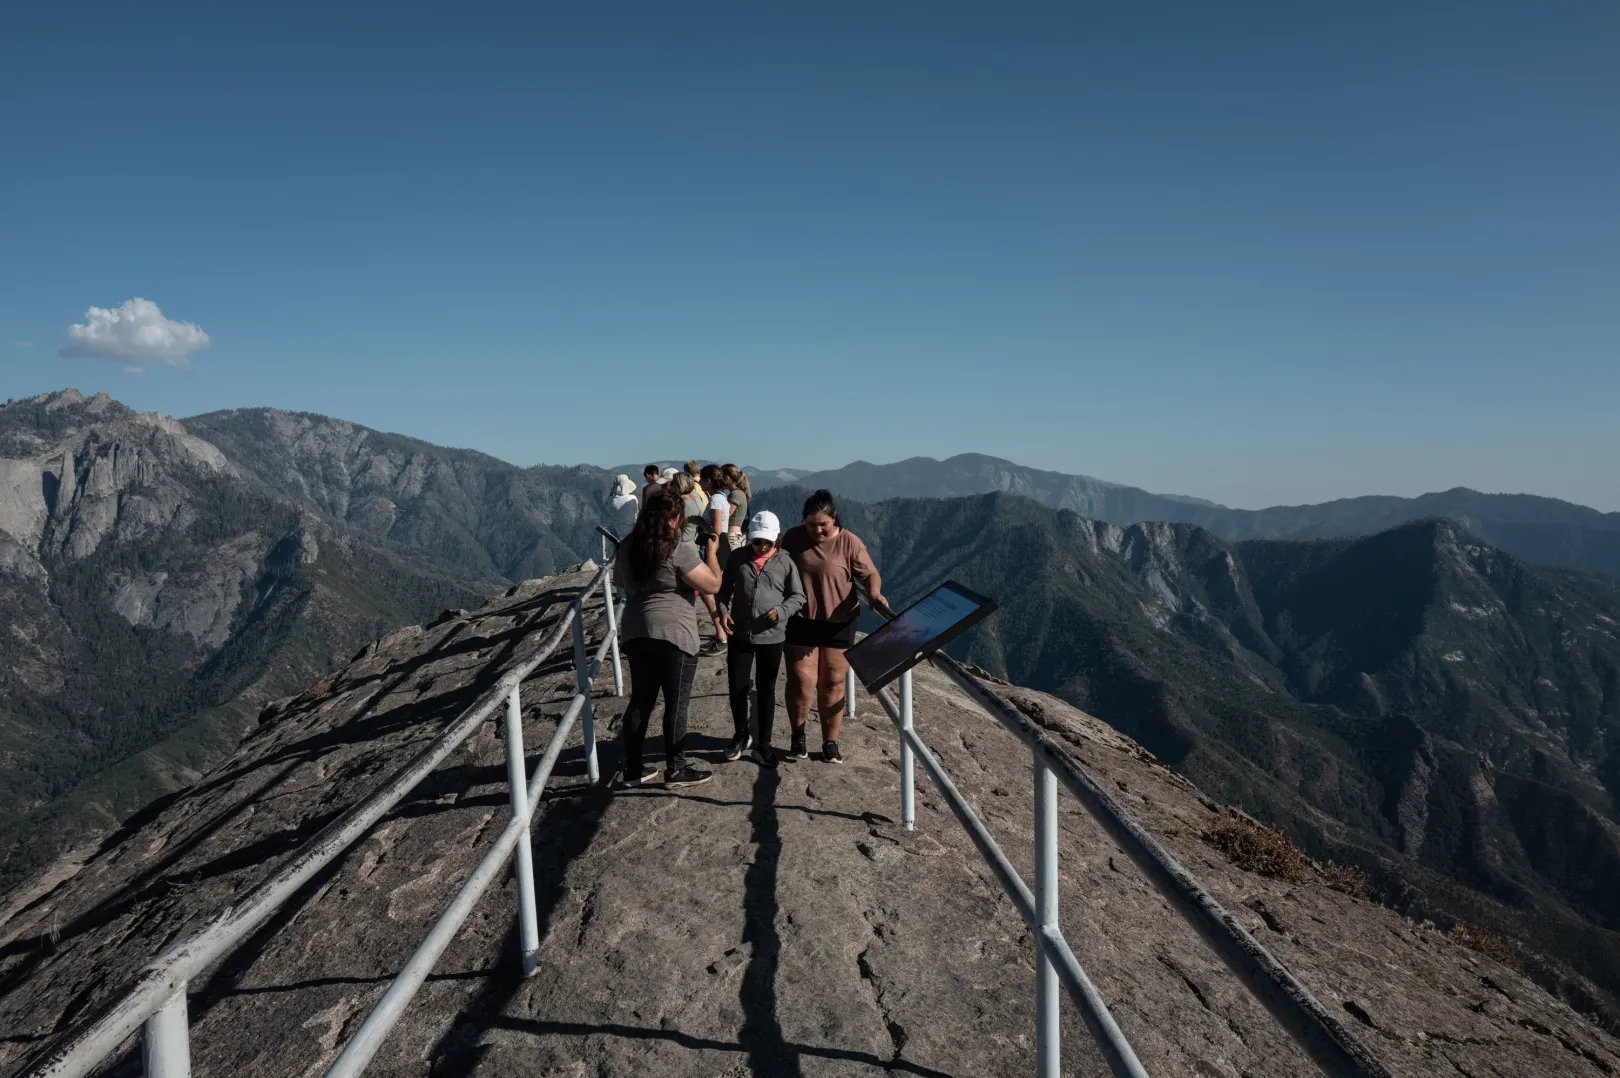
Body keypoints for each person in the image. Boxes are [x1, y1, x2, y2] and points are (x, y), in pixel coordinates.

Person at [612, 486, 723, 789]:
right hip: (675, 631)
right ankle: (676, 768)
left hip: (636, 630)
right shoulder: (676, 549)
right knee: (676, 703)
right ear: (674, 519)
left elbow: (618, 580)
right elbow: (712, 584)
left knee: (640, 701)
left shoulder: (626, 546)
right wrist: (712, 554)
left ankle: (633, 769)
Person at [781, 489, 888, 764]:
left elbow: (870, 573)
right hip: (801, 618)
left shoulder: (849, 541)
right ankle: (798, 735)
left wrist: (874, 594)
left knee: (833, 682)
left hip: (838, 621)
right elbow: (774, 562)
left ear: (834, 519)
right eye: (811, 524)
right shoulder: (793, 538)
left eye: (823, 525)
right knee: (802, 681)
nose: (817, 530)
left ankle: (830, 742)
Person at [715, 511, 805, 768]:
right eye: (757, 541)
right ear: (750, 539)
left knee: (766, 690)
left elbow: (798, 596)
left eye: (767, 541)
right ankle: (740, 735)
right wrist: (722, 612)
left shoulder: (785, 562)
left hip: (772, 636)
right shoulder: (737, 558)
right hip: (740, 633)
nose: (762, 546)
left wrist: (783, 612)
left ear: (777, 538)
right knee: (737, 687)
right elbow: (723, 590)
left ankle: (764, 744)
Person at [720, 464, 751, 551]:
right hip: (736, 535)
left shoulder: (735, 494)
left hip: (732, 535)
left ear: (726, 478)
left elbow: (725, 515)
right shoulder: (740, 493)